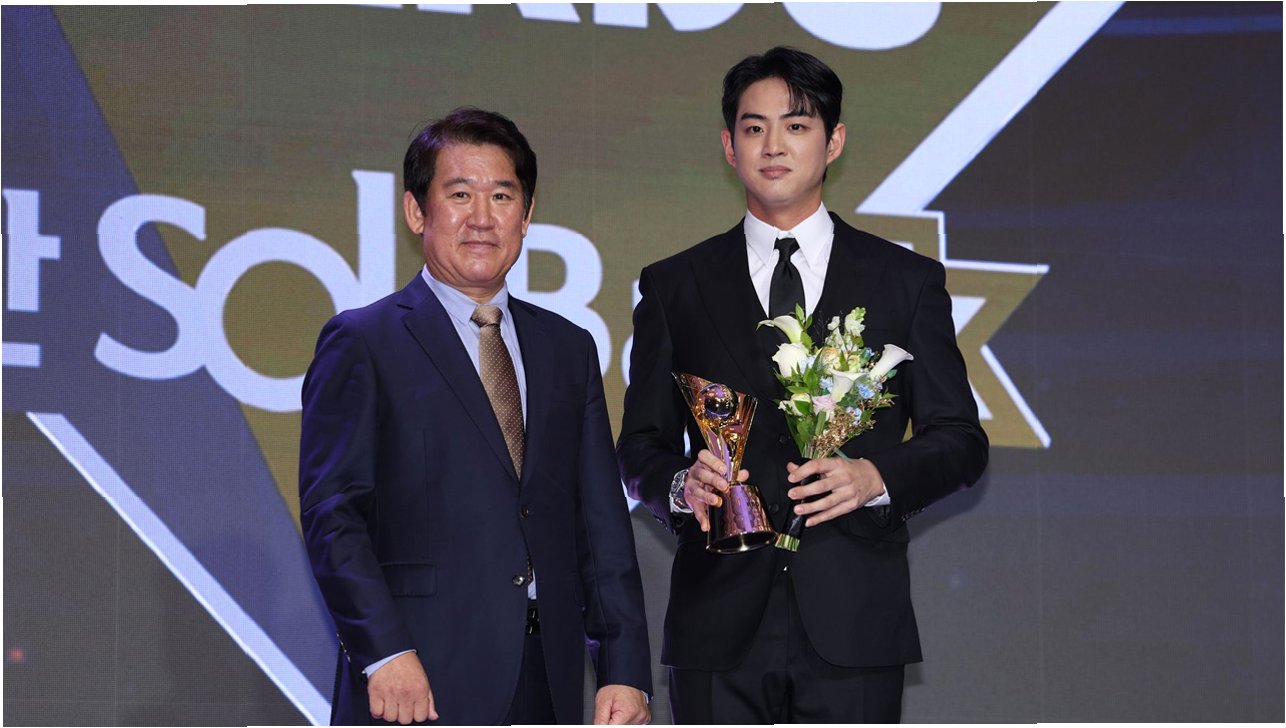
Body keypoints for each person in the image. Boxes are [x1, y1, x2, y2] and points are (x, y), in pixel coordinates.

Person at [617, 47, 988, 723]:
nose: (773, 146)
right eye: (754, 127)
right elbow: (639, 447)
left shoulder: (904, 282)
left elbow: (961, 439)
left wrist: (874, 477)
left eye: (796, 125)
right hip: (717, 621)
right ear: (729, 146)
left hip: (853, 618)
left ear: (833, 141)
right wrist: (679, 484)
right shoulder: (675, 285)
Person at [300, 108, 652, 726]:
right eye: (460, 194)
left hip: (545, 678)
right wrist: (384, 651)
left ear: (527, 214)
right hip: (415, 679)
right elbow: (334, 517)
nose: (482, 218)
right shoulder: (363, 342)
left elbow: (601, 526)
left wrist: (623, 668)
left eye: (502, 196)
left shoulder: (568, 348)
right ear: (417, 212)